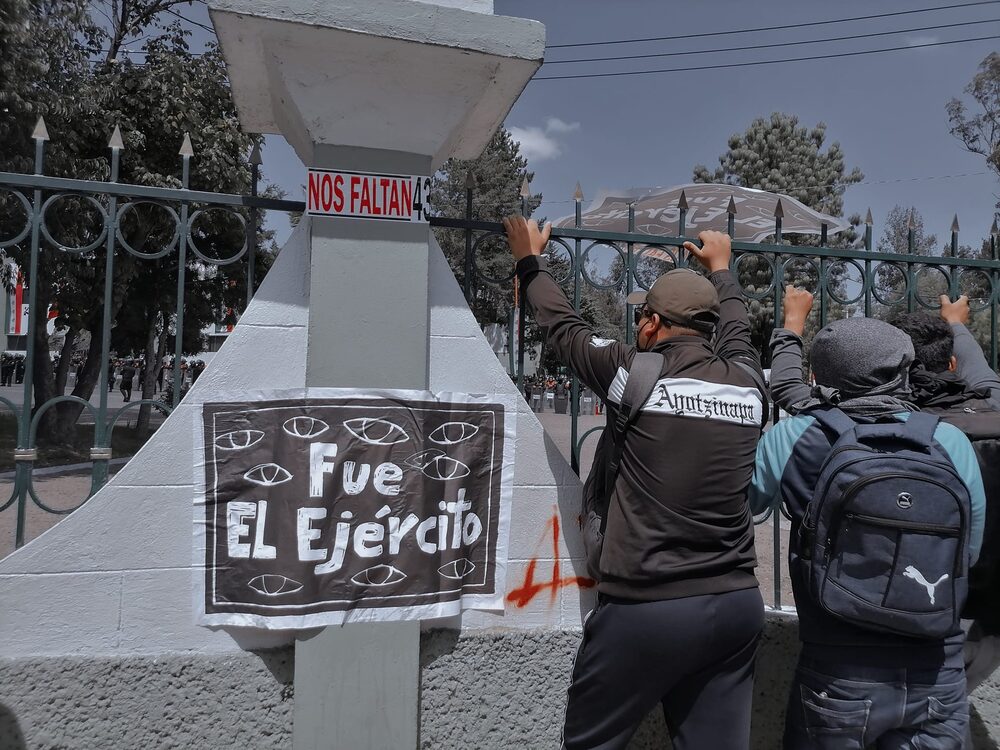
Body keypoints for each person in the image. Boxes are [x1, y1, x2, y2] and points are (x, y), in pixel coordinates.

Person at [503, 216, 767, 750]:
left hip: (648, 607)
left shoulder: (636, 374)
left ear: (650, 323)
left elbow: (565, 328)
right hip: (738, 604)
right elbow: (737, 332)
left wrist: (530, 262)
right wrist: (724, 271)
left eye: (642, 318)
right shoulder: (748, 384)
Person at [753, 287, 986, 749]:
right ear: (904, 368)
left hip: (838, 666)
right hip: (937, 667)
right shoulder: (950, 441)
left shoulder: (794, 436)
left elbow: (747, 508)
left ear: (820, 374)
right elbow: (969, 552)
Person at [892, 297, 1000, 699]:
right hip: (987, 620)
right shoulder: (992, 414)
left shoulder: (887, 428)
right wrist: (956, 326)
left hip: (899, 614)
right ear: (952, 365)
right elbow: (986, 380)